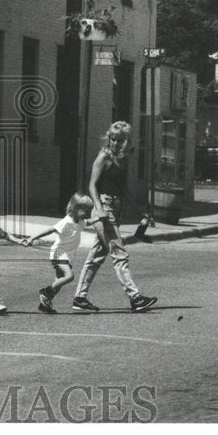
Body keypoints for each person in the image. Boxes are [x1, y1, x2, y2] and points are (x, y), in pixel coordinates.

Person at [72, 121, 158, 313]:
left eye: (120, 140)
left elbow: (124, 190)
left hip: (115, 207)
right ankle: (135, 298)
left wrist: (140, 212)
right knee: (119, 253)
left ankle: (79, 297)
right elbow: (92, 185)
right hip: (104, 209)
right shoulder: (104, 157)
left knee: (96, 256)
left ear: (127, 141)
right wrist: (99, 208)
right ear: (108, 137)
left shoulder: (123, 159)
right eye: (113, 138)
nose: (116, 143)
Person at [22, 194, 97, 314]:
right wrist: (32, 238)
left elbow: (88, 223)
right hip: (59, 253)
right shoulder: (67, 221)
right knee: (69, 276)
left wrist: (99, 219)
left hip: (67, 256)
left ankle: (44, 305)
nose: (88, 213)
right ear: (76, 208)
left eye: (89, 210)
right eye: (86, 210)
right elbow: (50, 230)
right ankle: (45, 292)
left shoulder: (80, 221)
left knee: (57, 285)